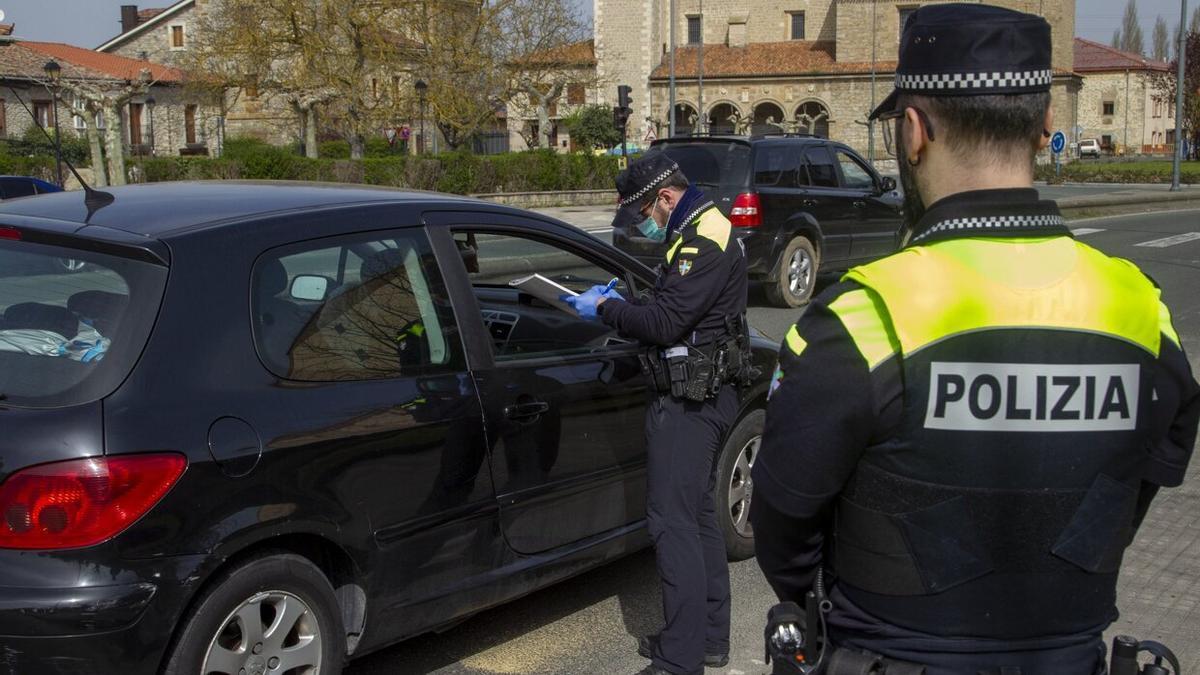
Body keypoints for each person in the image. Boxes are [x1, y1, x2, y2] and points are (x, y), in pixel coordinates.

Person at [750, 4, 1200, 675]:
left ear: (912, 132)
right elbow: (1141, 480)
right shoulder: (1141, 310)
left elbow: (783, 526)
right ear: (1047, 121)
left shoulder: (863, 319)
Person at [565, 153, 750, 675]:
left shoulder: (700, 238)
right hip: (708, 394)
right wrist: (628, 297)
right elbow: (681, 302)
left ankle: (679, 659)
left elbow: (668, 322)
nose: (644, 223)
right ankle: (706, 639)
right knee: (698, 517)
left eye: (646, 211)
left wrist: (604, 309)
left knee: (673, 525)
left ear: (665, 198)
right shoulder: (704, 223)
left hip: (691, 400)